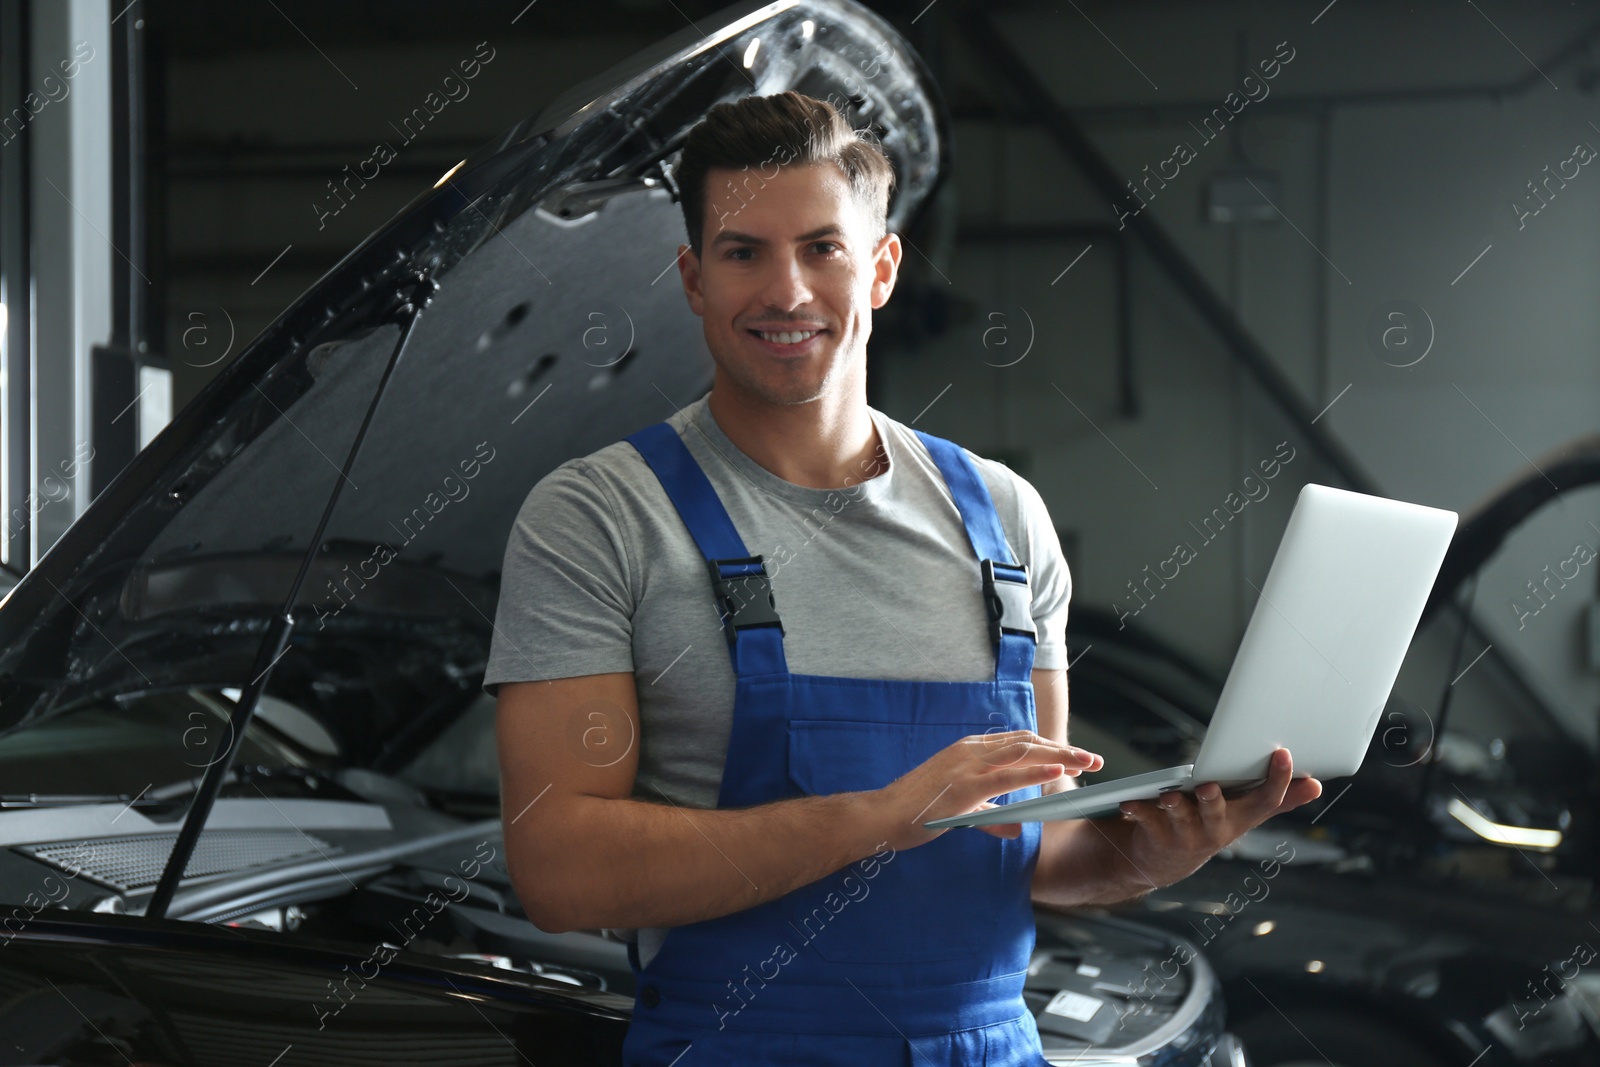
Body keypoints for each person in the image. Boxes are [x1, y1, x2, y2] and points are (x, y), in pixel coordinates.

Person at [486, 91, 1322, 1067]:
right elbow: (562, 870)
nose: (786, 291)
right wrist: (883, 816)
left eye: (822, 248)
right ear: (692, 279)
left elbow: (1031, 845)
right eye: (742, 250)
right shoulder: (598, 516)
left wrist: (1148, 854)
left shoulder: (1004, 520)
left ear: (880, 268)